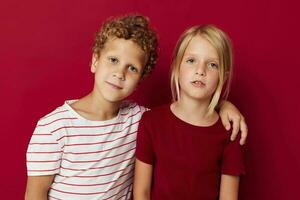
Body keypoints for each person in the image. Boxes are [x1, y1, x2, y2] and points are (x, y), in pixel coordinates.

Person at [25, 15, 247, 200]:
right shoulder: (54, 128)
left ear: (140, 79)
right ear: (94, 61)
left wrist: (224, 106)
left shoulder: (137, 119)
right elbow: (34, 195)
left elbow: (188, 116)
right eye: (112, 60)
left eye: (131, 68)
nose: (119, 73)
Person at [134, 25, 245, 200]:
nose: (201, 71)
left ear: (223, 77)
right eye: (192, 60)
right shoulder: (151, 121)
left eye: (213, 65)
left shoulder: (230, 131)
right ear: (177, 67)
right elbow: (141, 192)